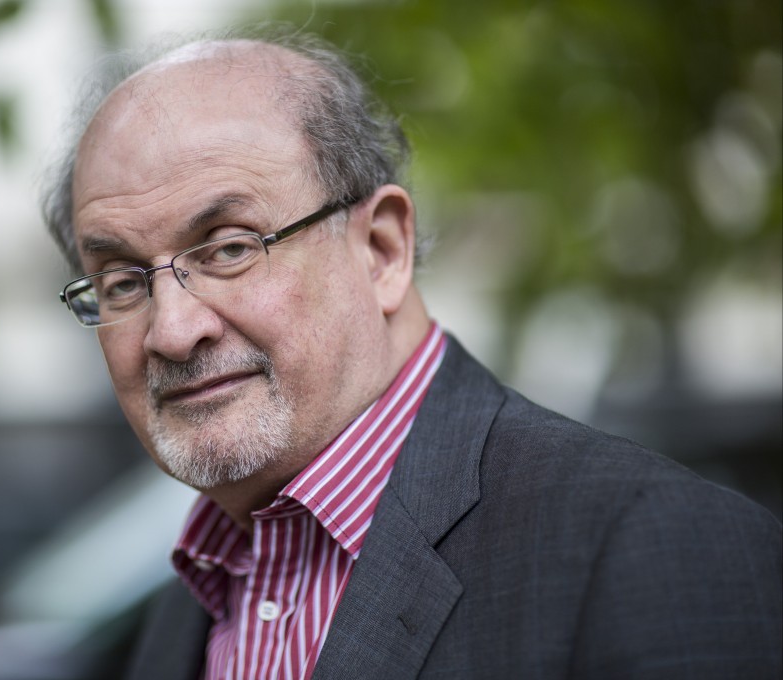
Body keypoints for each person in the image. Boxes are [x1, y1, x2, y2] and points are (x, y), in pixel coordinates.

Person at [41, 26, 781, 680]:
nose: (172, 331)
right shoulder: (193, 598)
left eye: (232, 248)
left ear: (382, 249)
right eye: (123, 282)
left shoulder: (661, 549)